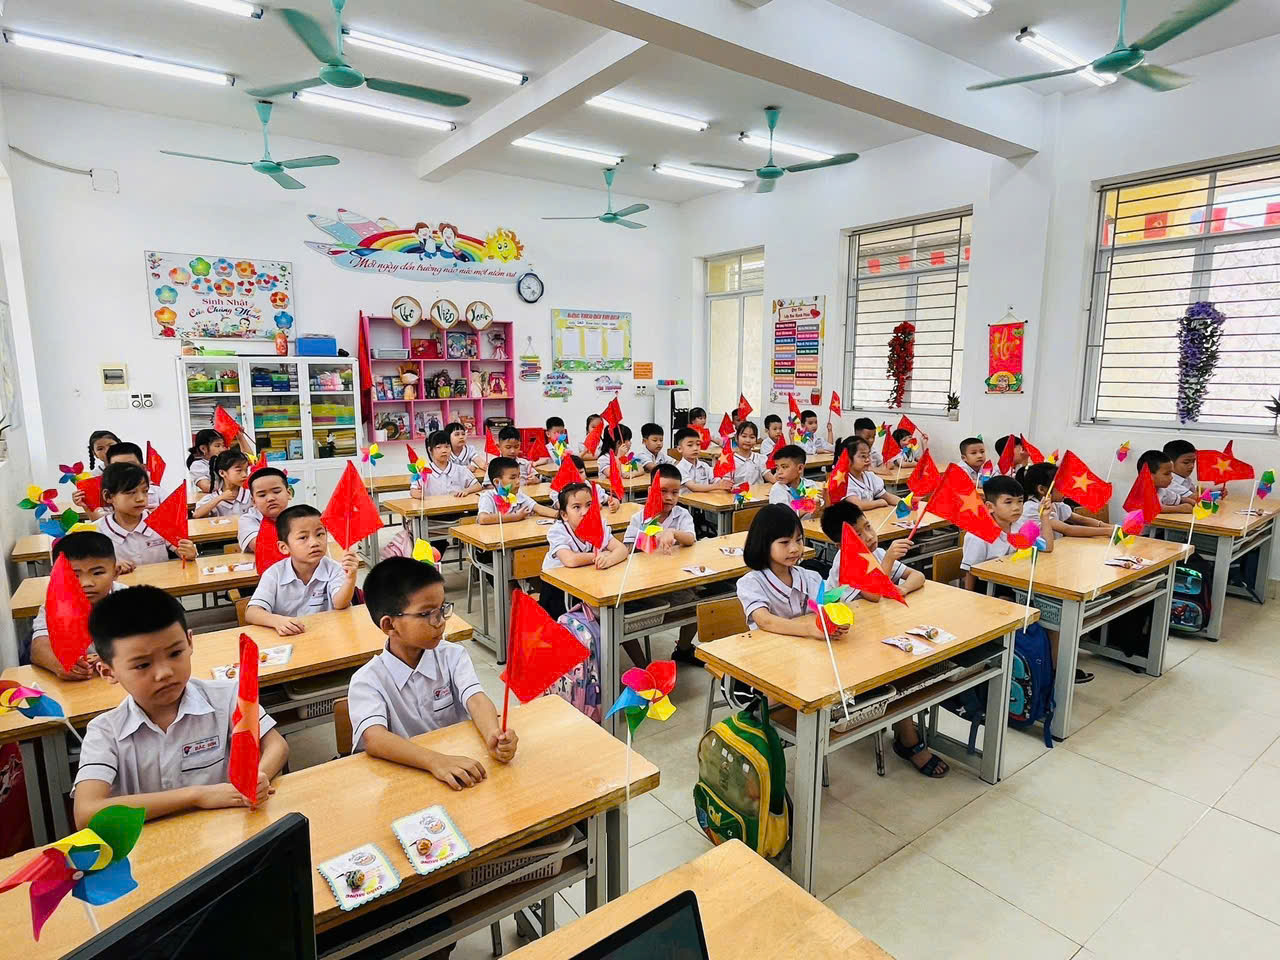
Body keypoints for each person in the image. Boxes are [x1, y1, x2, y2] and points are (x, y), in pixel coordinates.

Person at [72, 586, 289, 827]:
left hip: (227, 831)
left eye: (175, 653)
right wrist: (197, 796)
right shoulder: (105, 731)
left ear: (189, 641)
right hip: (152, 844)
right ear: (108, 672)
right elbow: (86, 813)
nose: (164, 672)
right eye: (143, 665)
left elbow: (276, 745)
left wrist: (259, 776)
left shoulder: (226, 697)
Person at [346, 558, 516, 788]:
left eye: (442, 609)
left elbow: (476, 699)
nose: (440, 622)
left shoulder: (452, 655)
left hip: (459, 767)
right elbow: (375, 738)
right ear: (389, 625)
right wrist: (435, 761)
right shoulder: (367, 681)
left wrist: (493, 735)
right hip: (406, 779)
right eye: (427, 614)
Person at [819, 501, 945, 777]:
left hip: (874, 630)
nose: (868, 536)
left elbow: (918, 576)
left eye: (868, 527)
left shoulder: (875, 552)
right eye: (858, 534)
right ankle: (908, 738)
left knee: (913, 656)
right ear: (841, 544)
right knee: (899, 665)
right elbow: (874, 594)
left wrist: (901, 589)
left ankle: (904, 724)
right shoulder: (846, 561)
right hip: (848, 642)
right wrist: (887, 562)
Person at [960, 476, 1087, 684]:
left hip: (1018, 584)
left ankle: (1052, 674)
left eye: (1020, 501)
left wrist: (1044, 517)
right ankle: (1032, 673)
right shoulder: (978, 533)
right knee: (1041, 617)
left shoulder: (1020, 526)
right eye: (1008, 502)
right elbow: (970, 572)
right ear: (990, 507)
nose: (1016, 507)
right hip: (989, 591)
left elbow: (1047, 547)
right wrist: (971, 606)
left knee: (1055, 619)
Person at [622, 464, 700, 664]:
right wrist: (651, 533)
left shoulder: (682, 515)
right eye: (663, 491)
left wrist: (672, 532)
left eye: (675, 492)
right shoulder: (640, 517)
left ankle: (683, 649)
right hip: (643, 583)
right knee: (622, 617)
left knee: (700, 607)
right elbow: (628, 548)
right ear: (651, 491)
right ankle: (643, 667)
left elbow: (690, 539)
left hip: (674, 580)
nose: (669, 497)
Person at [245, 504, 358, 635]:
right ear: (284, 547)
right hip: (288, 637)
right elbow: (251, 612)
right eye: (303, 537)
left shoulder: (334, 569)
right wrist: (276, 621)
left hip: (326, 635)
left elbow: (339, 604)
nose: (314, 543)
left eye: (320, 534)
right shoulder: (274, 574)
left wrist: (350, 579)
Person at [28, 532, 125, 680]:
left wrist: (119, 656)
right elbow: (39, 646)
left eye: (97, 573)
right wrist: (58, 664)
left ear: (116, 572)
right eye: (74, 575)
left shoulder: (130, 600)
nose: (86, 583)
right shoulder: (55, 605)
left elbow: (154, 639)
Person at [737, 504, 839, 638]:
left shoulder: (810, 578)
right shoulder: (752, 583)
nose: (794, 548)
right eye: (785, 542)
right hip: (771, 648)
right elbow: (765, 621)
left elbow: (827, 607)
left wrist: (837, 622)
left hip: (809, 646)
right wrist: (809, 630)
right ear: (764, 544)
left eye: (799, 540)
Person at [94, 463, 196, 573]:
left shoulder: (159, 521)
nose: (141, 499)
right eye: (131, 492)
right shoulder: (96, 531)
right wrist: (109, 566)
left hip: (161, 581)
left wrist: (190, 553)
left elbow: (182, 551)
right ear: (108, 496)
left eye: (145, 491)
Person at [74, 441, 161, 519]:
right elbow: (100, 523)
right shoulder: (106, 495)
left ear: (143, 468)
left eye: (130, 466)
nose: (124, 472)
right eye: (117, 468)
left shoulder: (159, 493)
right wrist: (87, 507)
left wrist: (160, 517)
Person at [1020, 462, 1110, 538]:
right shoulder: (1032, 508)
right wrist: (1107, 531)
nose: (1065, 489)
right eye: (1060, 486)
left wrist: (1108, 526)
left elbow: (1080, 519)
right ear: (1041, 489)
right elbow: (1068, 529)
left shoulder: (1055, 503)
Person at [478, 457, 556, 524]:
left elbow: (538, 508)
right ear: (497, 482)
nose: (518, 481)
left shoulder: (518, 495)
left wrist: (559, 514)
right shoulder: (488, 497)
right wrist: (515, 517)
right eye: (512, 478)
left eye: (519, 476)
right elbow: (483, 518)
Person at [412, 429, 483, 499]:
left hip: (456, 505)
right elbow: (413, 490)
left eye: (447, 447)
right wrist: (417, 494)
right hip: (433, 506)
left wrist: (466, 490)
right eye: (438, 447)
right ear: (430, 450)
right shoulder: (423, 471)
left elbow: (477, 485)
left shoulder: (460, 469)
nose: (444, 451)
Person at [238, 466, 292, 552]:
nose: (270, 498)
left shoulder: (299, 516)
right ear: (254, 501)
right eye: (262, 495)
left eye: (276, 492)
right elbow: (261, 546)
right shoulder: (249, 520)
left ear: (288, 493)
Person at [843, 436, 902, 510]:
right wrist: (879, 502)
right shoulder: (845, 481)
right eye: (863, 456)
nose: (867, 459)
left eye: (868, 455)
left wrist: (905, 503)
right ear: (848, 459)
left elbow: (887, 496)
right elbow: (857, 505)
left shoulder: (869, 476)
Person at [768, 444, 823, 520]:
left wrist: (821, 503)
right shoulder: (778, 489)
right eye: (777, 467)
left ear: (800, 468)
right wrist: (808, 507)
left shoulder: (810, 485)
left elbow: (820, 508)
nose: (779, 472)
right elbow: (784, 518)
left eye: (784, 467)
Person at [192, 449, 252, 518]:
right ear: (222, 473)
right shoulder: (214, 497)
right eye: (239, 470)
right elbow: (196, 515)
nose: (245, 475)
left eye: (246, 470)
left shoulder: (251, 495)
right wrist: (220, 498)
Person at [674, 426, 731, 493]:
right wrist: (718, 486)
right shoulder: (679, 468)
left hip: (705, 499)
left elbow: (715, 480)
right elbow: (693, 487)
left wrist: (725, 484)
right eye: (690, 445)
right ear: (679, 449)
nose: (695, 448)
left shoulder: (705, 466)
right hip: (686, 500)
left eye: (698, 444)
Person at [1139, 448, 1193, 512]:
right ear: (1148, 475)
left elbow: (1179, 499)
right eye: (1167, 474)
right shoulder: (1142, 491)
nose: (1171, 477)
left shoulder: (1161, 490)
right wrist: (1179, 508)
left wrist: (1193, 502)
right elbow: (1153, 508)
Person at [731, 420, 774, 486]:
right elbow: (727, 482)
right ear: (736, 438)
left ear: (756, 440)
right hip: (739, 492)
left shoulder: (759, 458)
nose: (748, 440)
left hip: (758, 492)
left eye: (752, 437)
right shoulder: (730, 460)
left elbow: (767, 474)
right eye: (744, 436)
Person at [186, 428, 227, 494]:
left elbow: (246, 460)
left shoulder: (224, 460)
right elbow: (207, 487)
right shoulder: (198, 465)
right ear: (203, 448)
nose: (222, 449)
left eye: (223, 446)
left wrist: (240, 438)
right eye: (217, 446)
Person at [1162, 439, 1199, 503]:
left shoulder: (1184, 477)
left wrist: (1214, 489)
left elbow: (1195, 489)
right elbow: (1195, 498)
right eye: (1186, 462)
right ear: (1170, 463)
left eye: (1193, 461)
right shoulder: (1170, 482)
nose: (1192, 466)